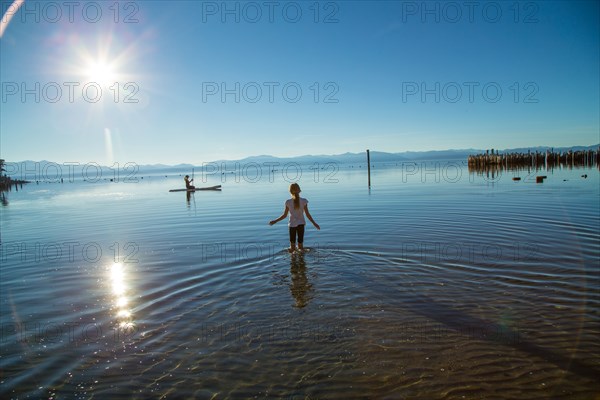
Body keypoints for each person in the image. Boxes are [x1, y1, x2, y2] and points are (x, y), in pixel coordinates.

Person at [269, 183, 320, 252]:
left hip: (292, 225)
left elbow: (284, 215)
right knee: (301, 247)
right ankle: (301, 260)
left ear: (290, 191)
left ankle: (293, 261)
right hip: (301, 224)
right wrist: (314, 223)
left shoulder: (288, 202)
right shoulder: (304, 201)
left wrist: (275, 221)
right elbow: (307, 214)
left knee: (292, 248)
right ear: (299, 190)